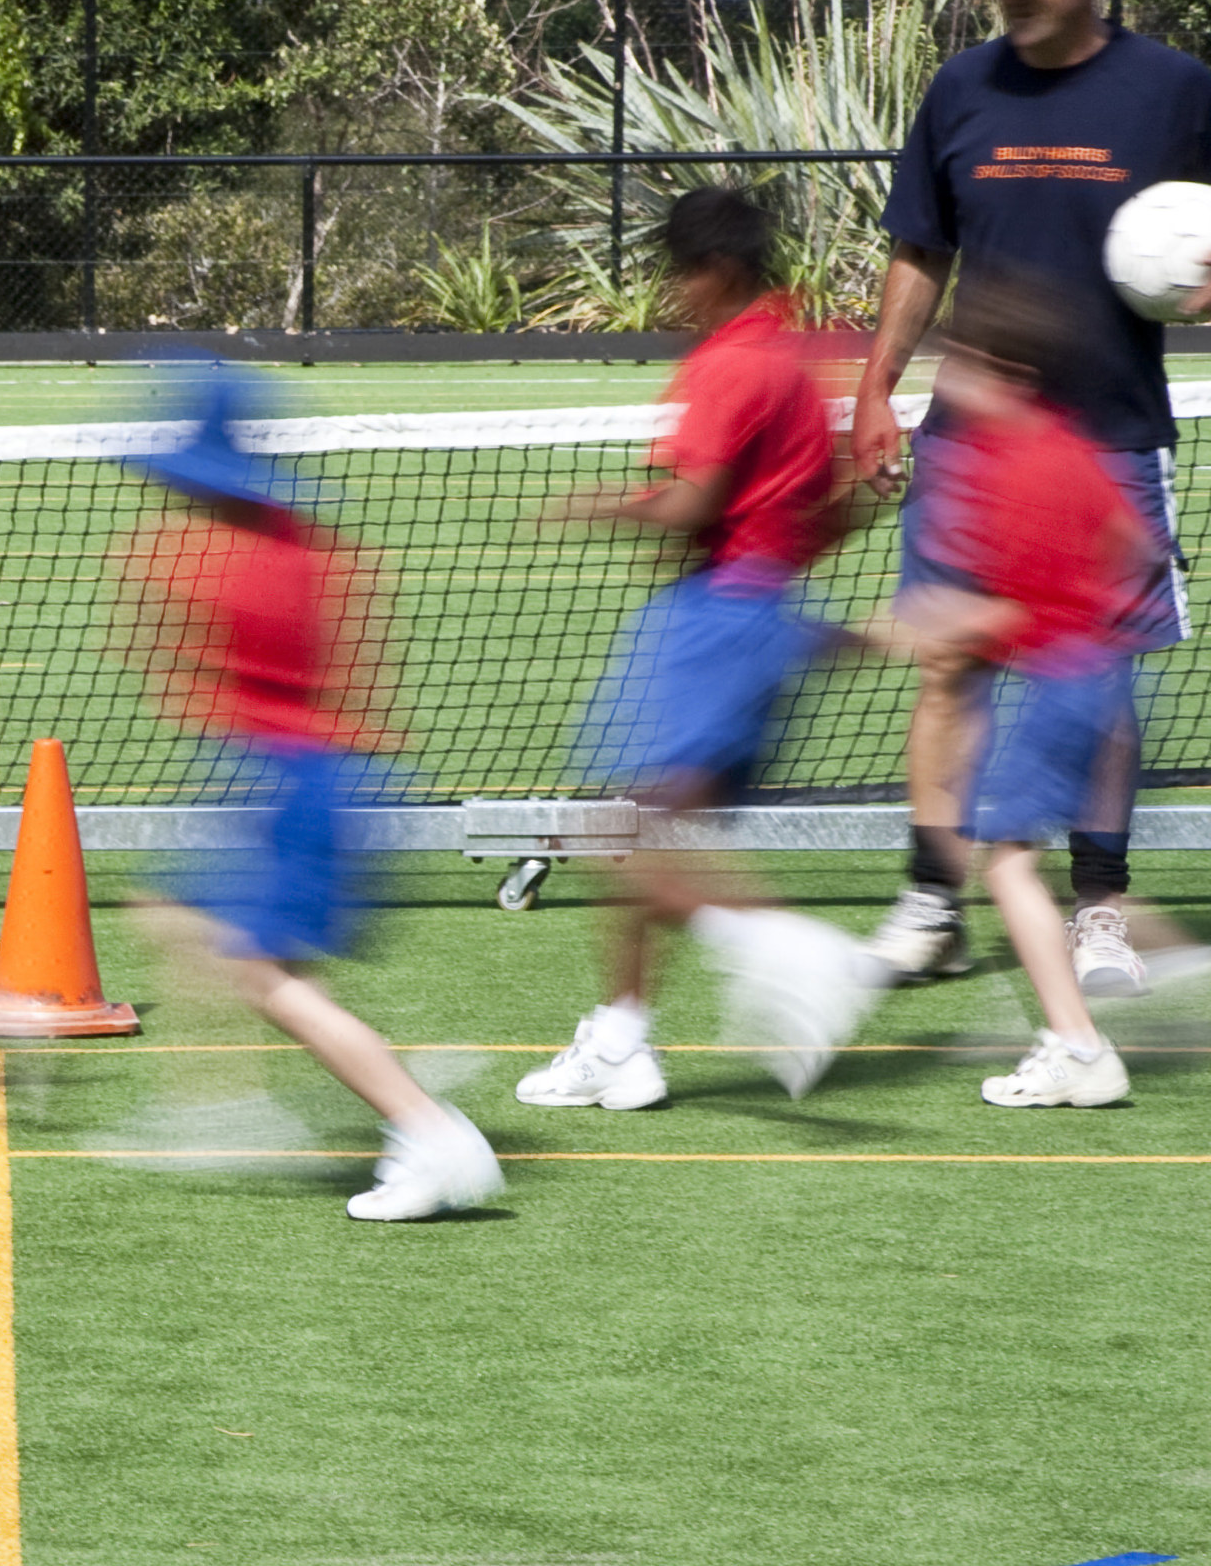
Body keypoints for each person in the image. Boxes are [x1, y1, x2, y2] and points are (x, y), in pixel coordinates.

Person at [852, 0, 1211, 995]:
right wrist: (877, 391)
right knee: (952, 663)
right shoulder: (959, 90)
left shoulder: (1175, 92)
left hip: (1107, 437)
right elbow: (920, 250)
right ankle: (930, 902)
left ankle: (1098, 911)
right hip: (967, 447)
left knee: (1096, 680)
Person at [516, 188, 885, 1113]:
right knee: (658, 827)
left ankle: (782, 951)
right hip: (763, 616)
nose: (674, 294)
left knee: (628, 835)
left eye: (677, 274)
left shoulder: (729, 367)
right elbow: (835, 514)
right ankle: (621, 1042)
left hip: (714, 620)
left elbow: (692, 504)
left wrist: (591, 506)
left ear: (712, 271)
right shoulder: (804, 362)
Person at [113, 361, 503, 1225]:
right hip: (334, 777)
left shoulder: (188, 555)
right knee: (181, 916)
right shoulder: (314, 546)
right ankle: (243, 1098)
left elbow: (164, 665)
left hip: (277, 782)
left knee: (266, 977)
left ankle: (425, 1126)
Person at [870, 278, 1198, 1109]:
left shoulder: (1008, 472)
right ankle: (1160, 969)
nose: (952, 383)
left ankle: (1077, 1048)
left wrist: (918, 623)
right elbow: (1136, 548)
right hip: (1102, 679)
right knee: (1020, 861)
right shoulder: (1070, 447)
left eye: (962, 367)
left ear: (1004, 373)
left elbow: (1003, 608)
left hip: (1059, 690)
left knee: (1010, 867)